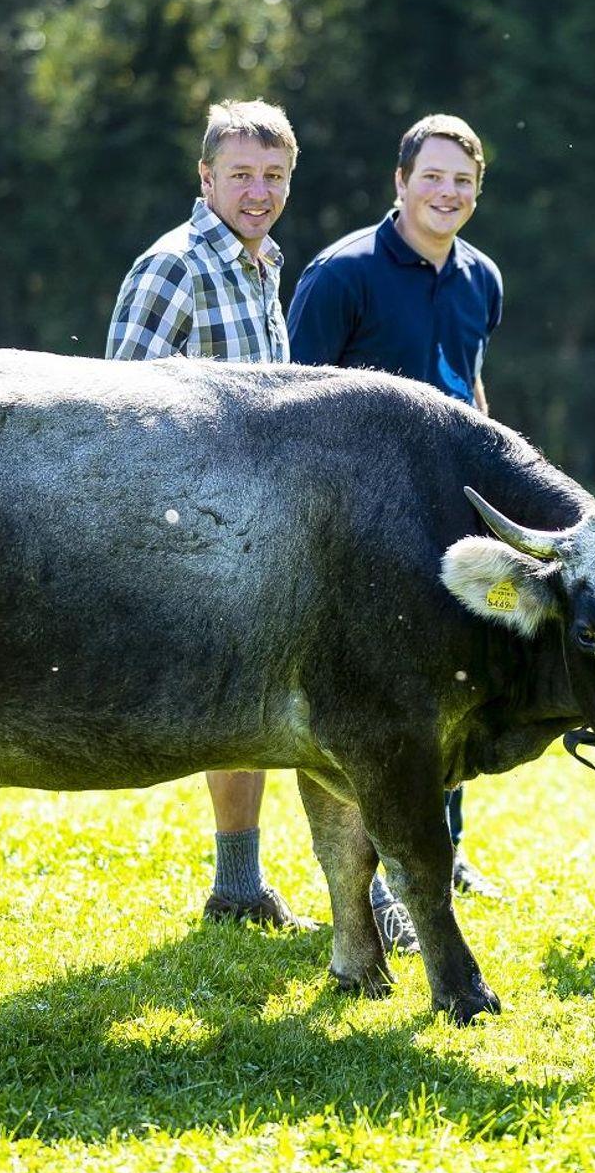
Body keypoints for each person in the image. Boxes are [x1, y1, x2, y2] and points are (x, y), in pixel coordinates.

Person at [286, 114, 504, 949]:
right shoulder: (341, 275)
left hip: (452, 520)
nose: (447, 193)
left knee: (455, 683)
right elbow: (293, 406)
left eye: (463, 182)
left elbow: (471, 387)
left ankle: (444, 853)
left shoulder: (482, 278)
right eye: (433, 177)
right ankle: (371, 878)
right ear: (400, 181)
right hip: (359, 529)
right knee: (376, 703)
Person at [105, 98, 314, 932]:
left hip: (260, 527)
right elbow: (120, 409)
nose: (258, 192)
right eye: (241, 175)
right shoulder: (175, 267)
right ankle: (238, 885)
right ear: (205, 178)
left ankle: (240, 888)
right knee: (239, 703)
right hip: (195, 527)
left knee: (257, 702)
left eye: (273, 176)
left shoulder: (264, 265)